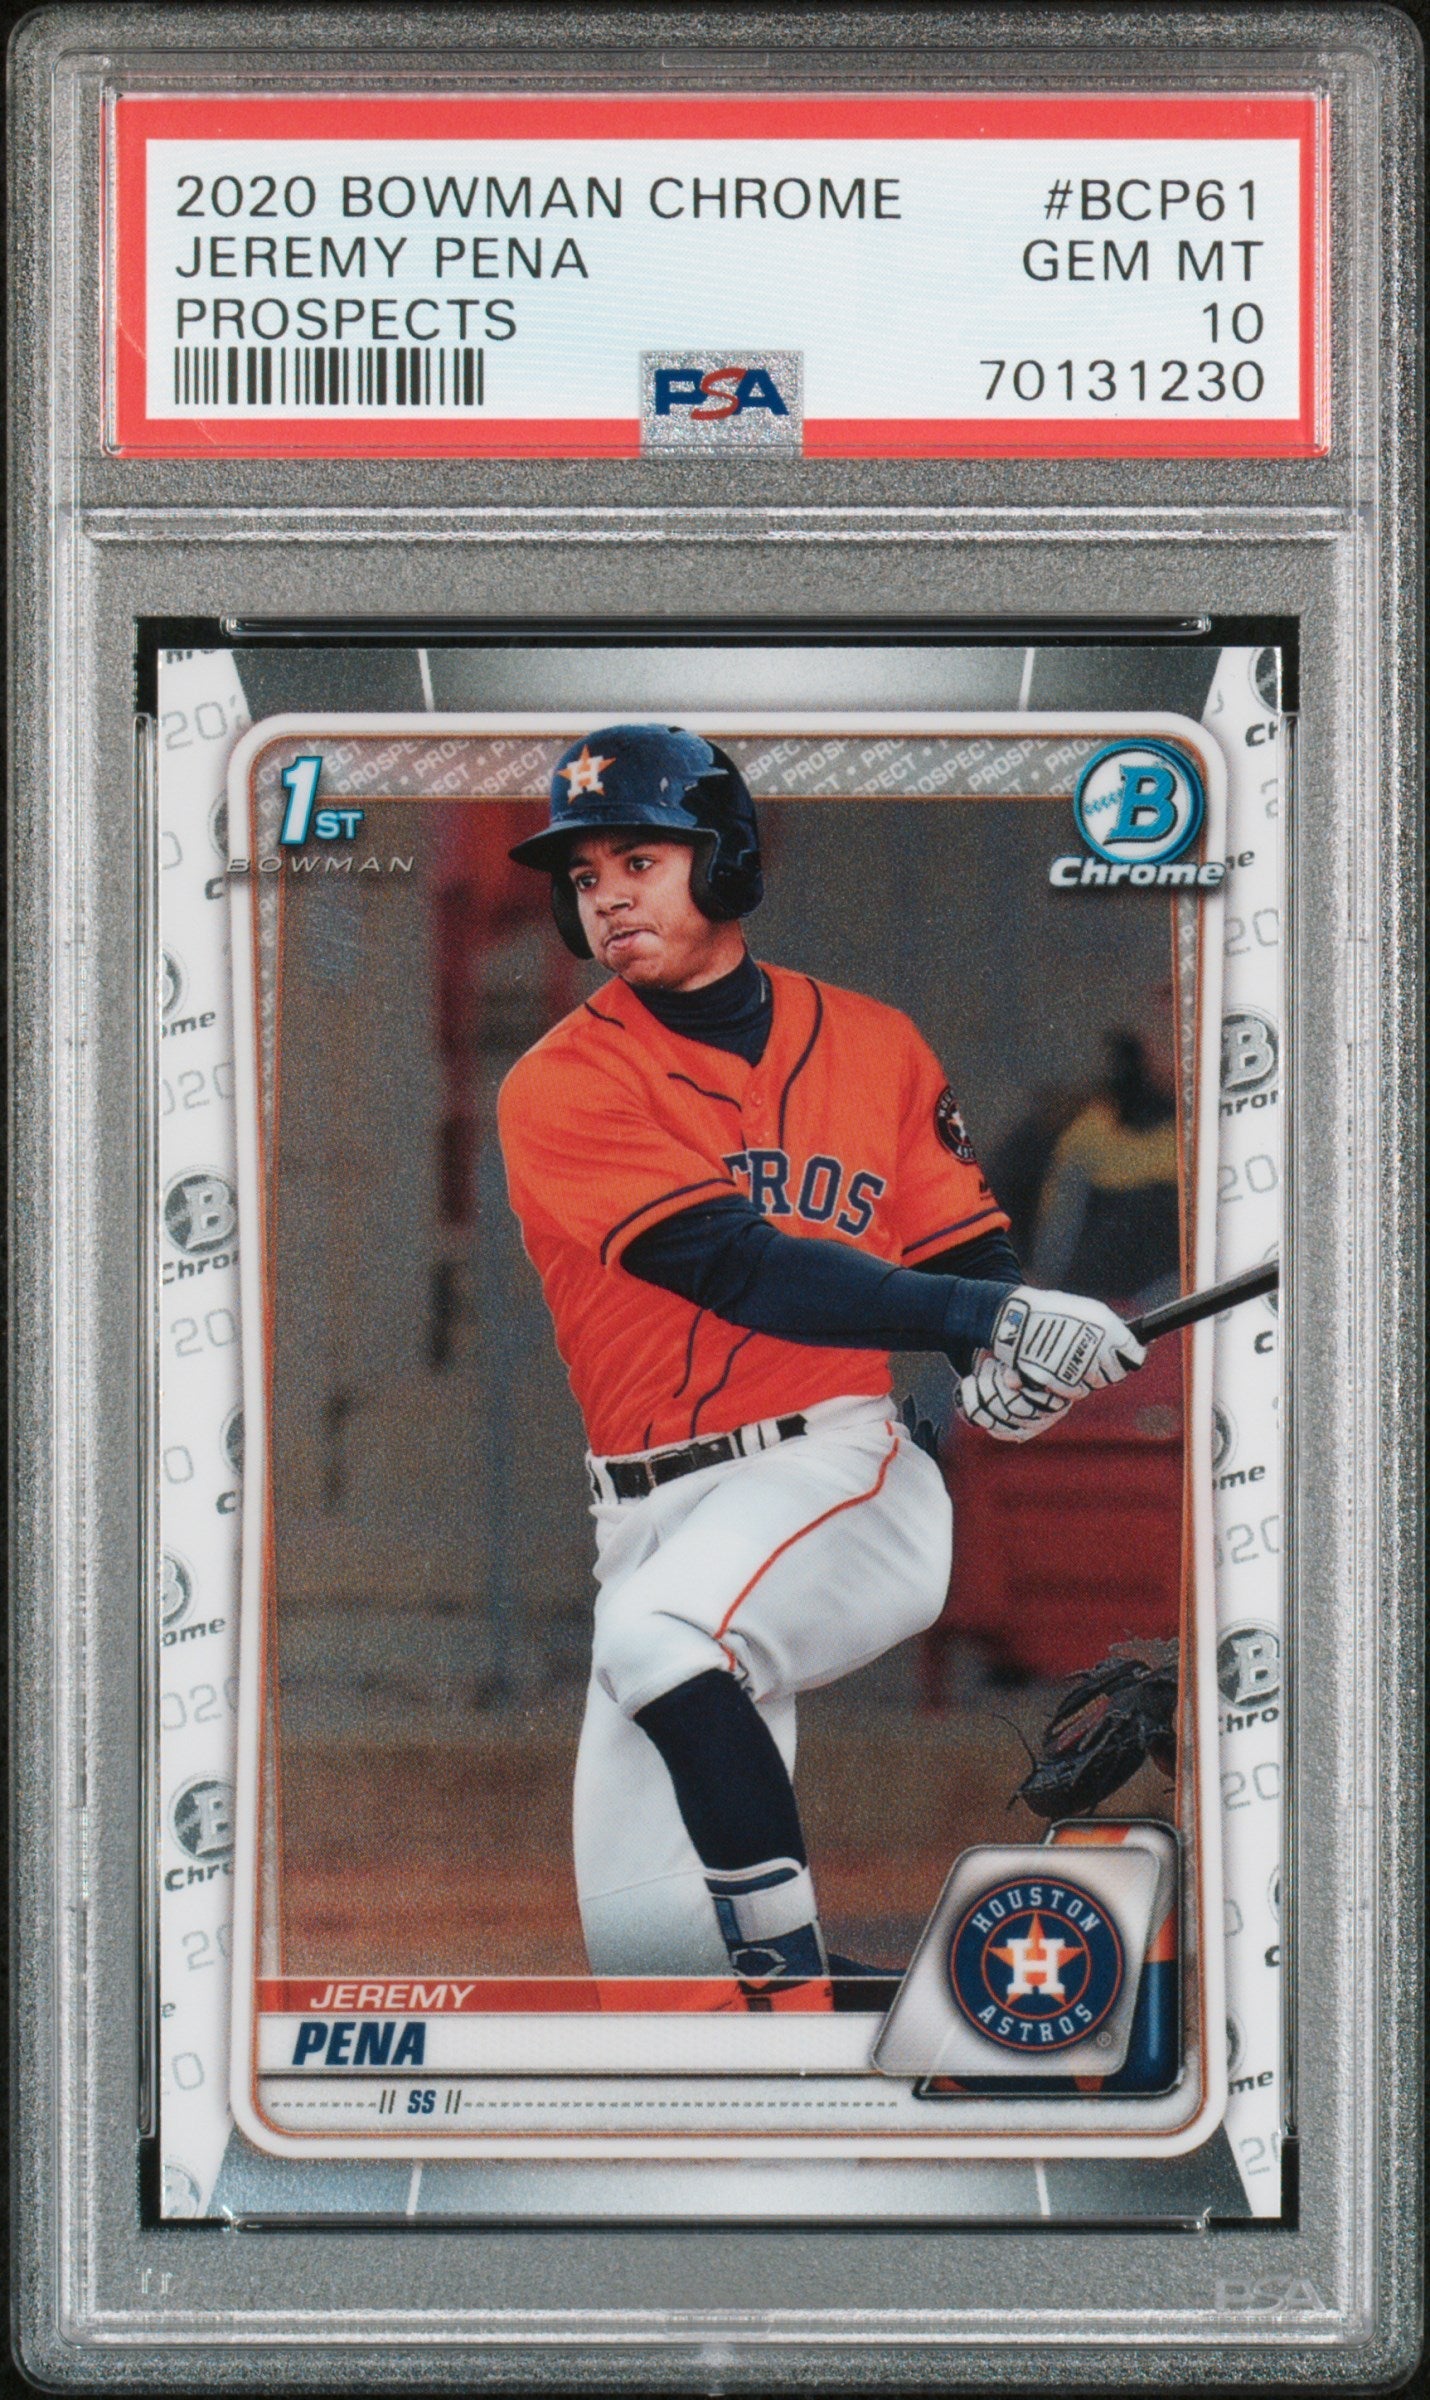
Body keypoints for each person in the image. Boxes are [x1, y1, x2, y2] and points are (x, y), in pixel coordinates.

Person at [498, 726, 1144, 2011]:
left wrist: (999, 1348)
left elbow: (964, 1251)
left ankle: (788, 1987)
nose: (606, 895)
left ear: (724, 860)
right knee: (662, 1994)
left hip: (835, 1469)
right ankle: (965, 2023)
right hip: (643, 1519)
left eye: (638, 859)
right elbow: (736, 1264)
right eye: (582, 876)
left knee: (661, 1636)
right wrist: (990, 1315)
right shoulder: (558, 1084)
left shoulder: (873, 1043)